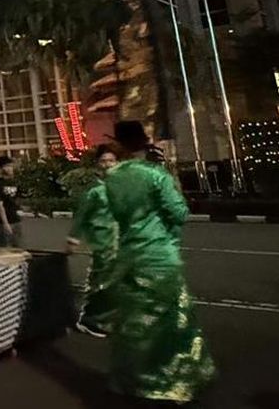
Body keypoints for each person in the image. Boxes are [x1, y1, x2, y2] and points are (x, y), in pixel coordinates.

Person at [104, 121, 215, 402]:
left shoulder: (112, 176)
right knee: (171, 321)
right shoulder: (155, 174)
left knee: (134, 323)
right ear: (145, 141)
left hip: (129, 256)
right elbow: (179, 213)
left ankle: (133, 380)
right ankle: (171, 381)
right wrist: (170, 177)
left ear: (118, 144)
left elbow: (116, 214)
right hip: (159, 256)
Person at [66, 145, 120, 338]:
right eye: (103, 161)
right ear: (97, 164)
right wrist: (73, 239)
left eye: (111, 160)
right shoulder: (94, 191)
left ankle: (109, 318)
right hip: (102, 243)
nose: (107, 164)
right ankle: (89, 320)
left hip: (119, 242)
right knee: (100, 282)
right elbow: (81, 216)